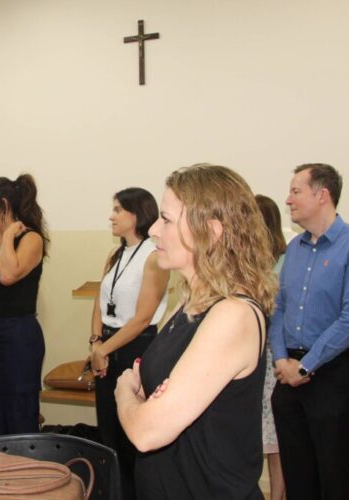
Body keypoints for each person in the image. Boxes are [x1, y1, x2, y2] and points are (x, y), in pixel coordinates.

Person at [115, 164, 277, 499]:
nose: (154, 230)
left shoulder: (233, 314)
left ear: (211, 232)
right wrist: (146, 402)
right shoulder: (190, 302)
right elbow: (151, 393)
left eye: (166, 219)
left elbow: (146, 431)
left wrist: (123, 392)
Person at [270, 163, 349, 500]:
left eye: (296, 191)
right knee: (297, 477)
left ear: (322, 195)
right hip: (288, 376)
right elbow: (279, 308)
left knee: (333, 478)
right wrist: (282, 360)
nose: (288, 200)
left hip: (333, 375)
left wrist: (305, 366)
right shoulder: (294, 249)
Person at [89, 187, 169, 499]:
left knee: (132, 434)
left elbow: (142, 317)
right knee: (108, 429)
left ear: (137, 214)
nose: (111, 216)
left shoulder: (154, 255)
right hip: (106, 344)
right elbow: (99, 302)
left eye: (118, 210)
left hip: (137, 346)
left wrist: (103, 350)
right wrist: (96, 342)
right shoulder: (115, 255)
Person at [0, 174, 48, 449]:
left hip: (17, 336)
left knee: (19, 415)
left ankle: (25, 472)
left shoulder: (30, 238)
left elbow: (7, 275)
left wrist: (9, 235)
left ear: (2, 204)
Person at [255, 194, 287, 500]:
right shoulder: (245, 263)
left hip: (273, 360)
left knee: (276, 443)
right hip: (249, 360)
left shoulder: (285, 263)